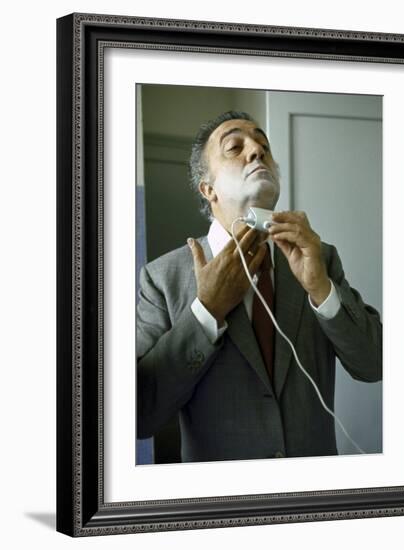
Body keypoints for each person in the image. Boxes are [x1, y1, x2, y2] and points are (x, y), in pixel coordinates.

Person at [136, 110, 382, 463]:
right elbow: (140, 413)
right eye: (235, 146)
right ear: (208, 189)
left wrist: (323, 291)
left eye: (263, 145)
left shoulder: (319, 258)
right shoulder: (161, 279)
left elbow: (375, 365)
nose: (256, 150)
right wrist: (206, 311)